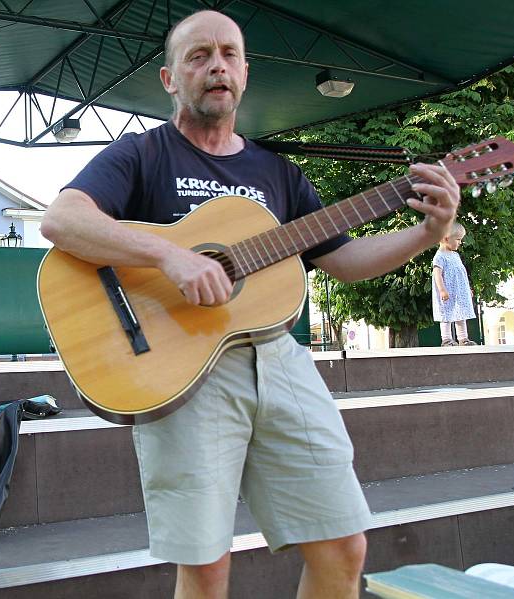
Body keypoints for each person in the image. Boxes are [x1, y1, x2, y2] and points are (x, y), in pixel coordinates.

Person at [40, 10, 460, 599]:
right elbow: (63, 220)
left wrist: (425, 233)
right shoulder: (142, 155)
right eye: (199, 55)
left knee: (344, 545)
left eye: (230, 54)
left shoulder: (277, 172)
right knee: (207, 567)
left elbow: (342, 260)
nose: (217, 65)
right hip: (181, 365)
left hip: (277, 357)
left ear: (245, 72)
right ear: (168, 78)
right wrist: (170, 256)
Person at [432, 222, 477, 346]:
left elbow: (461, 274)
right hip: (447, 293)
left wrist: (467, 289)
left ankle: (463, 339)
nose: (460, 242)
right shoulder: (439, 257)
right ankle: (446, 339)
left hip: (459, 293)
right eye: (458, 239)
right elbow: (437, 274)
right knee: (446, 315)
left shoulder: (455, 255)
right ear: (446, 239)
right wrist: (442, 290)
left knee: (460, 314)